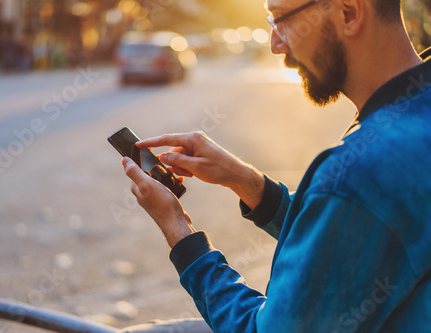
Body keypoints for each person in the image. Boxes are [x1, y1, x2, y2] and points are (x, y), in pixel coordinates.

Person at [119, 0, 431, 331]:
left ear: (349, 13)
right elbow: (356, 236)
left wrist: (179, 231)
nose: (274, 44)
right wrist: (248, 183)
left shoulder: (361, 172)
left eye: (281, 20)